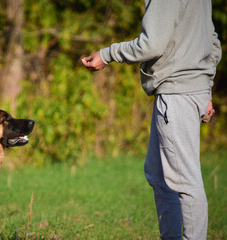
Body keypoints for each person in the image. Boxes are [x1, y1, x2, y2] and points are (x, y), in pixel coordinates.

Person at [82, 0, 222, 239]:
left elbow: (152, 44)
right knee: (158, 174)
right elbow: (213, 43)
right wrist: (205, 88)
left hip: (178, 93)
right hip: (188, 90)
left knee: (186, 182)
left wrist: (107, 54)